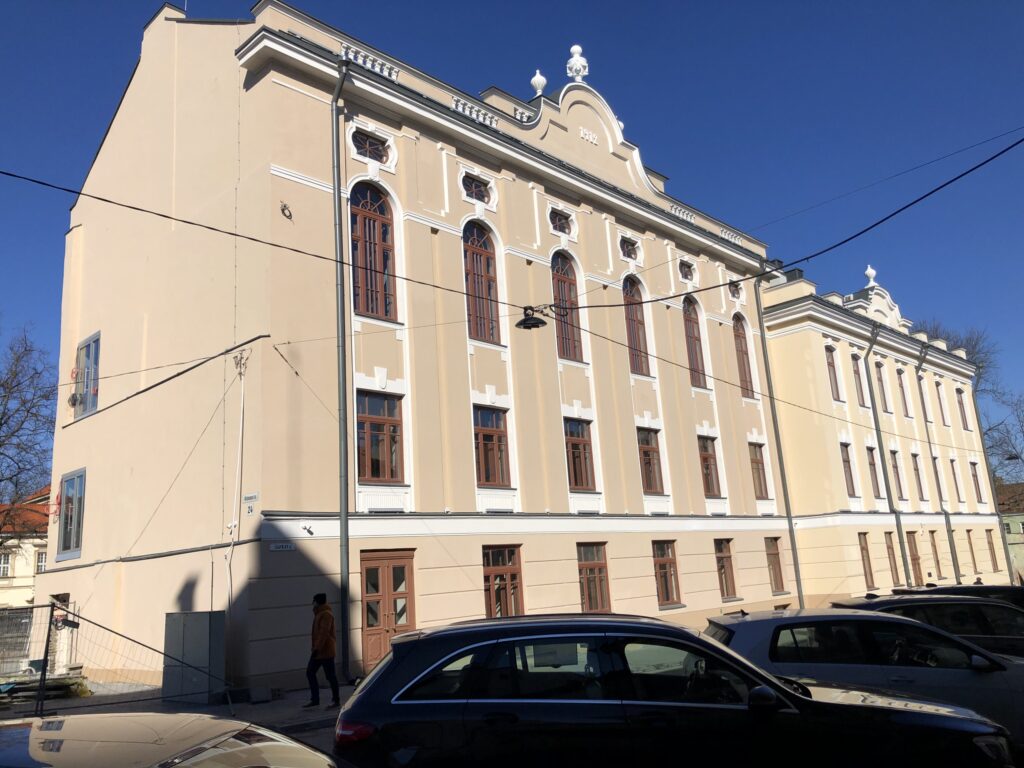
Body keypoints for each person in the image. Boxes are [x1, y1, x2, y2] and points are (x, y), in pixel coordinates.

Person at [304, 593, 339, 708]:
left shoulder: (326, 615)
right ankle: (315, 699)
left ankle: (336, 700)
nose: (312, 603)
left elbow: (323, 633)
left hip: (325, 651)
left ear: (318, 602)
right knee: (310, 672)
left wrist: (316, 648)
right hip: (319, 651)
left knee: (330, 676)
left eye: (314, 601)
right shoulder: (319, 613)